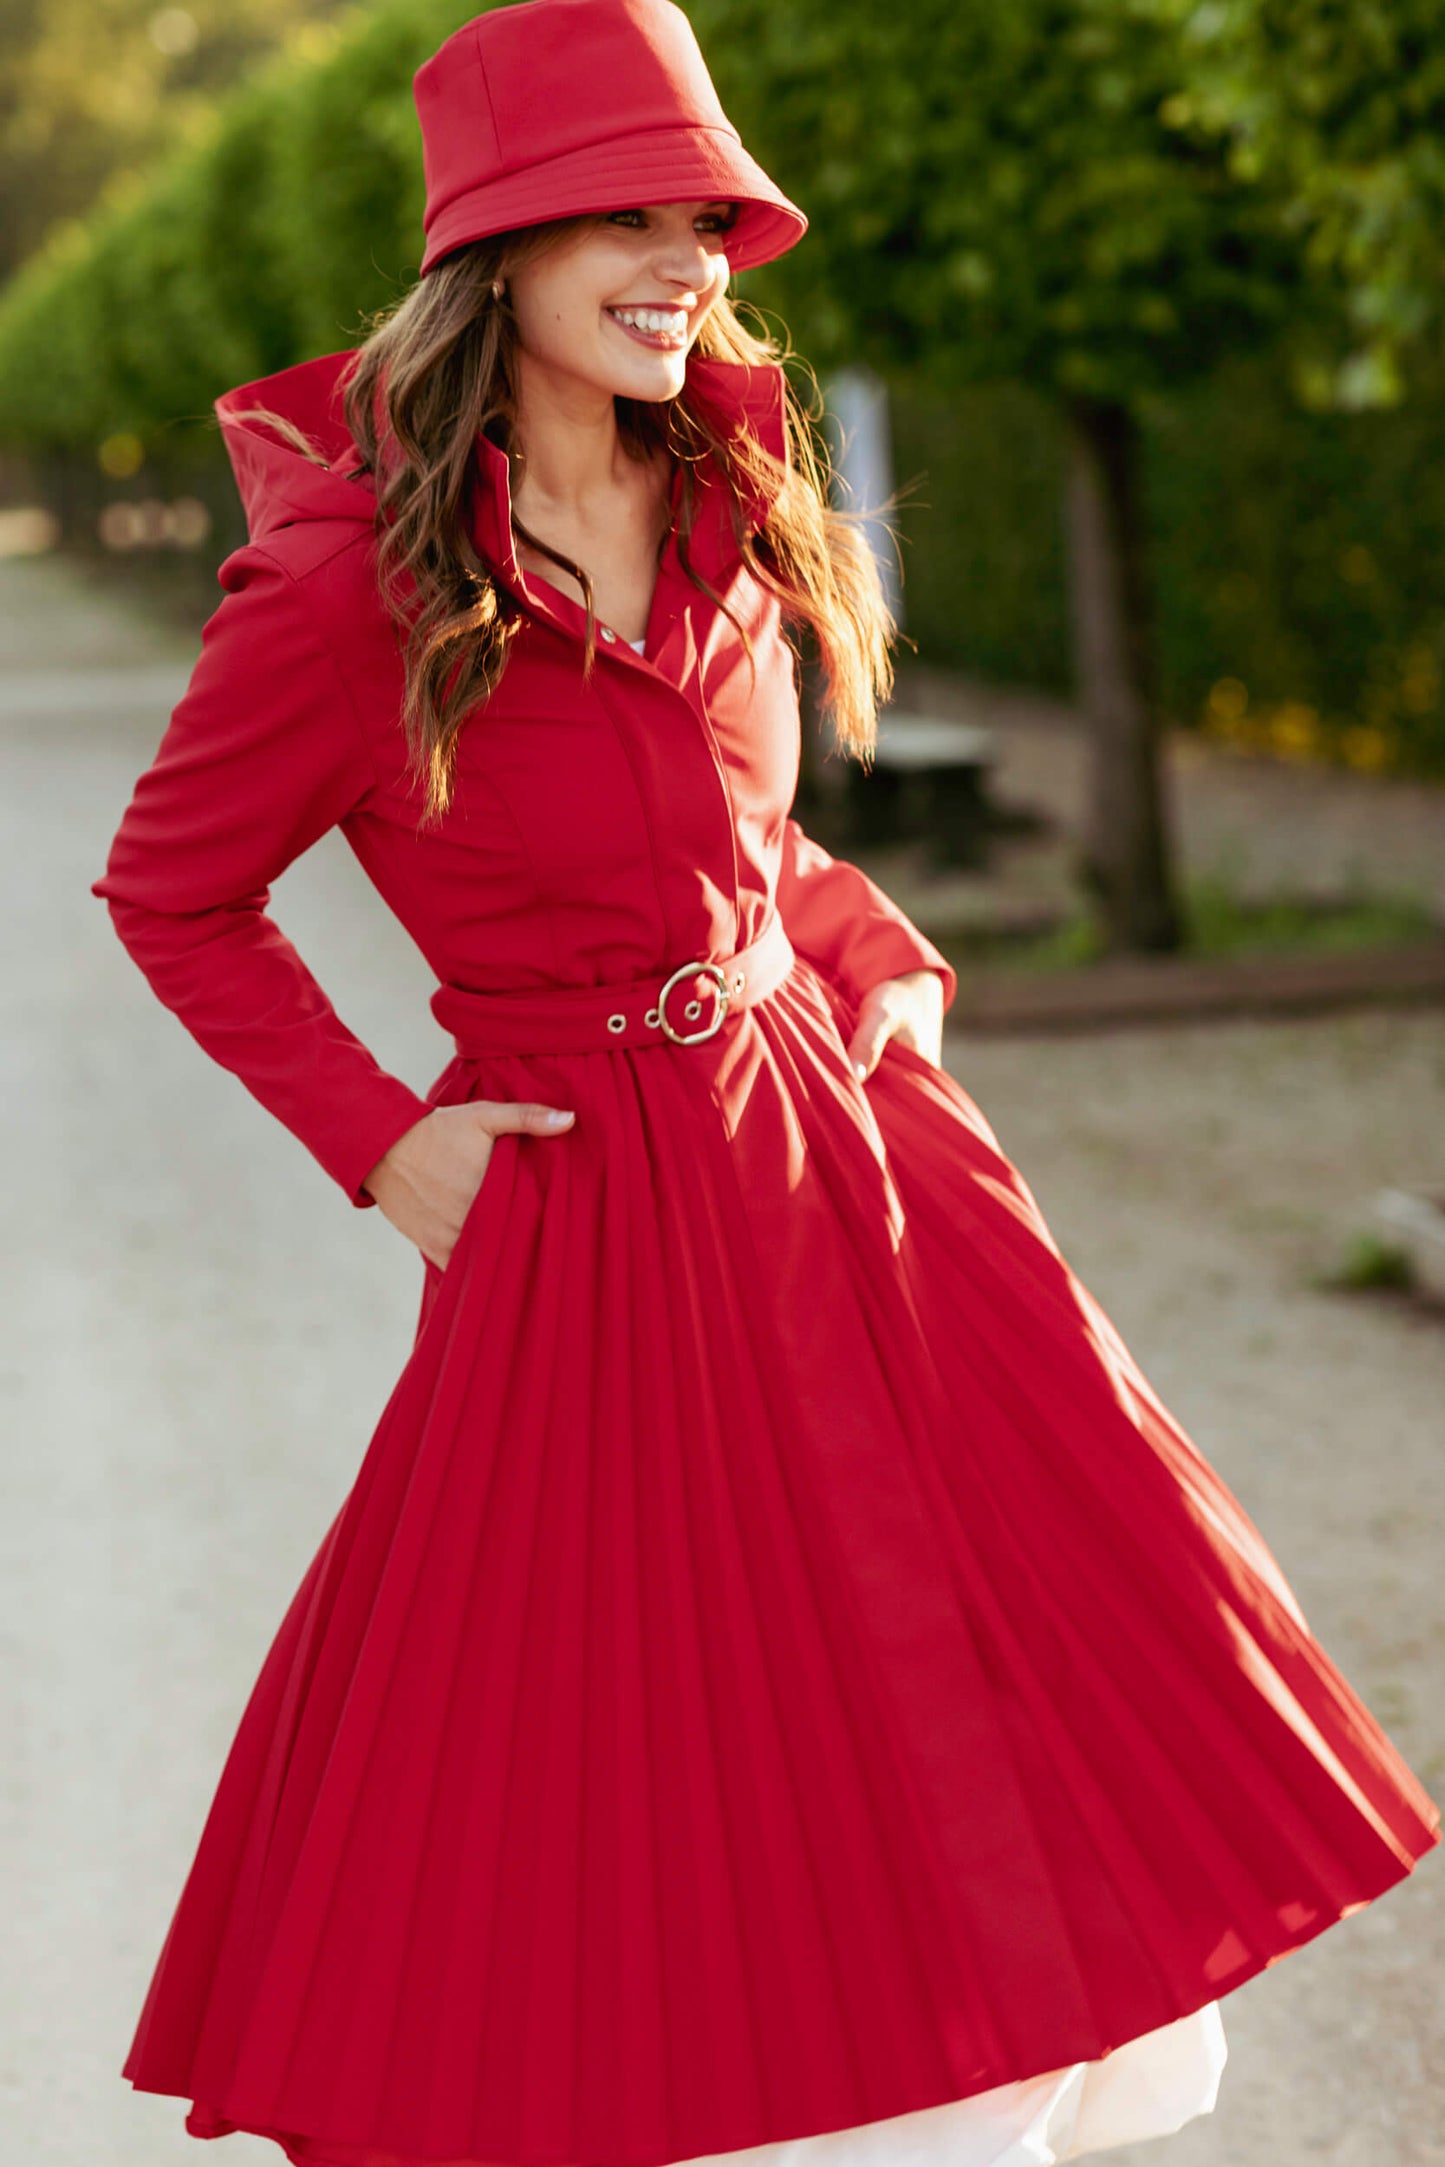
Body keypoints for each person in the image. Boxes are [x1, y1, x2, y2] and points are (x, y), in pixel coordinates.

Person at [91, 3, 1440, 2165]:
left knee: (1022, 1677)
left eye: (704, 213)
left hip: (851, 1169)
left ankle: (961, 2108)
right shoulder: (348, 581)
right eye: (618, 213)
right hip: (593, 1226)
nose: (685, 256)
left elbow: (747, 841)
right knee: (624, 1763)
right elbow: (175, 896)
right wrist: (383, 1138)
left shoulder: (723, 481)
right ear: (493, 251)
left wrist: (870, 950)